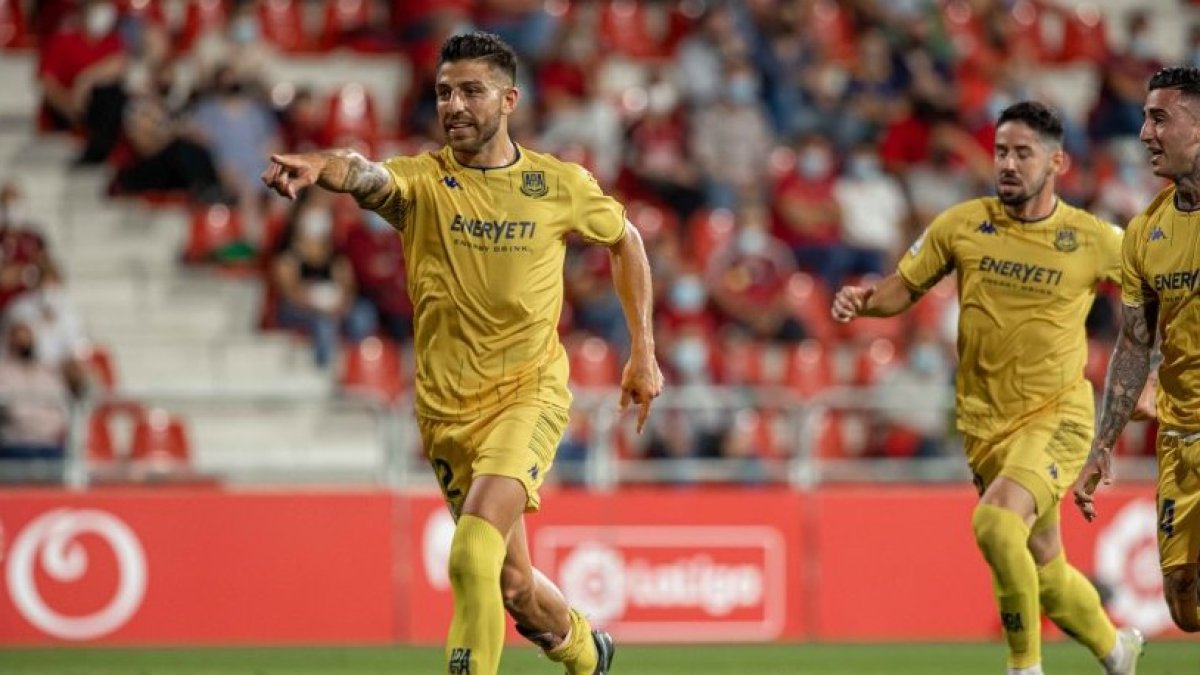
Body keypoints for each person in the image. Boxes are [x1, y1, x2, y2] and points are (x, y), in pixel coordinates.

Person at [261, 31, 661, 675]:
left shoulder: (557, 184)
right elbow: (362, 171)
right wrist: (321, 167)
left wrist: (643, 350)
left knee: (470, 552)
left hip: (527, 395)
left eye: (471, 91)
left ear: (509, 100)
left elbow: (628, 240)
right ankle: (589, 652)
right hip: (446, 414)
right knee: (512, 587)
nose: (454, 105)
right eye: (444, 91)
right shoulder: (421, 185)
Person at [831, 101, 1143, 675]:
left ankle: (1024, 667)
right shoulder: (962, 224)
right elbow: (903, 287)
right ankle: (1118, 651)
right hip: (984, 425)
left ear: (1058, 163)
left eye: (1023, 153)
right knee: (1043, 569)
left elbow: (1158, 289)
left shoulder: (1092, 238)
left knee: (997, 523)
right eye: (1001, 150)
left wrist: (1152, 372)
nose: (1007, 163)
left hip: (1059, 416)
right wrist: (865, 302)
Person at [1073, 65, 1200, 634]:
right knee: (1182, 599)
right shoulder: (1146, 232)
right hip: (1181, 439)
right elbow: (1133, 343)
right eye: (1146, 118)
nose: (1145, 133)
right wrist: (1103, 445)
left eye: (1160, 118)